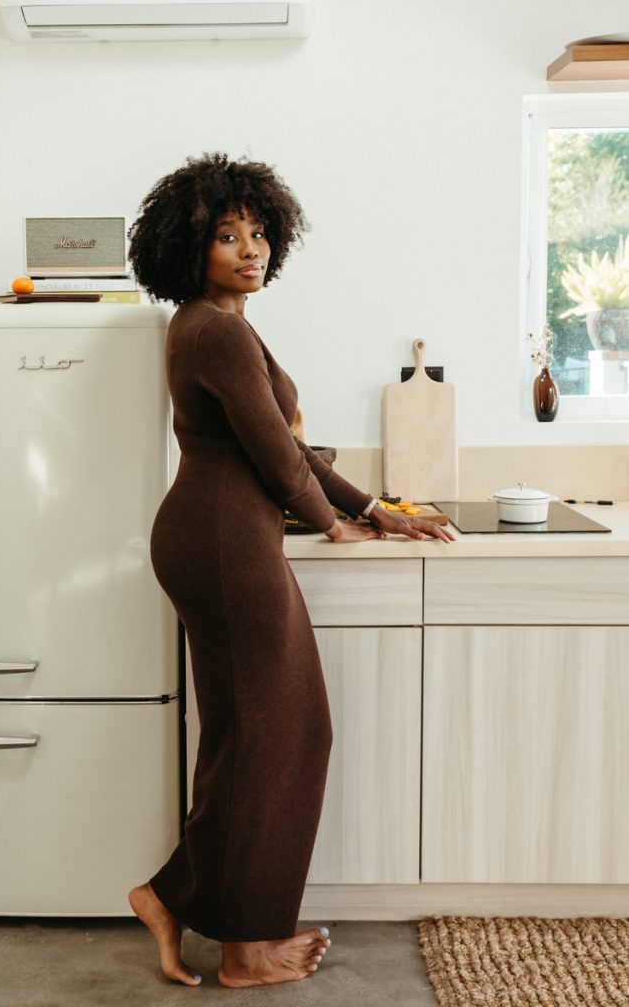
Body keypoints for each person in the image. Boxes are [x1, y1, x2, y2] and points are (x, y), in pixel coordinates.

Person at [126, 152, 455, 989]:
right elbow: (277, 455)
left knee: (258, 735)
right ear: (188, 247)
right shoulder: (214, 328)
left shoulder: (219, 324)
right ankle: (244, 948)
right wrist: (328, 522)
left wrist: (372, 508)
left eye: (260, 234)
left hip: (221, 538)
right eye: (227, 236)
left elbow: (289, 447)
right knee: (280, 734)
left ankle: (178, 900)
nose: (250, 250)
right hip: (222, 543)